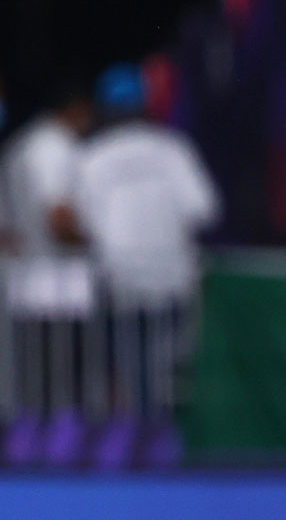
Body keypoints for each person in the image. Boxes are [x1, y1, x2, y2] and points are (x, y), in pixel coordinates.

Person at [76, 65, 221, 465]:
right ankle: (165, 442)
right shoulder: (172, 149)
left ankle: (141, 439)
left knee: (131, 369)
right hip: (173, 279)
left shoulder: (92, 156)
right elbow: (204, 209)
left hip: (120, 279)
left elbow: (84, 224)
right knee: (171, 370)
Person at [0, 85, 95, 464]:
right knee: (61, 380)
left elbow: (7, 233)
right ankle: (57, 449)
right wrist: (102, 239)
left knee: (31, 379)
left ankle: (27, 446)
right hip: (61, 286)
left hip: (24, 283)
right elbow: (58, 220)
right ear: (76, 108)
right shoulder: (55, 148)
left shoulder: (19, 147)